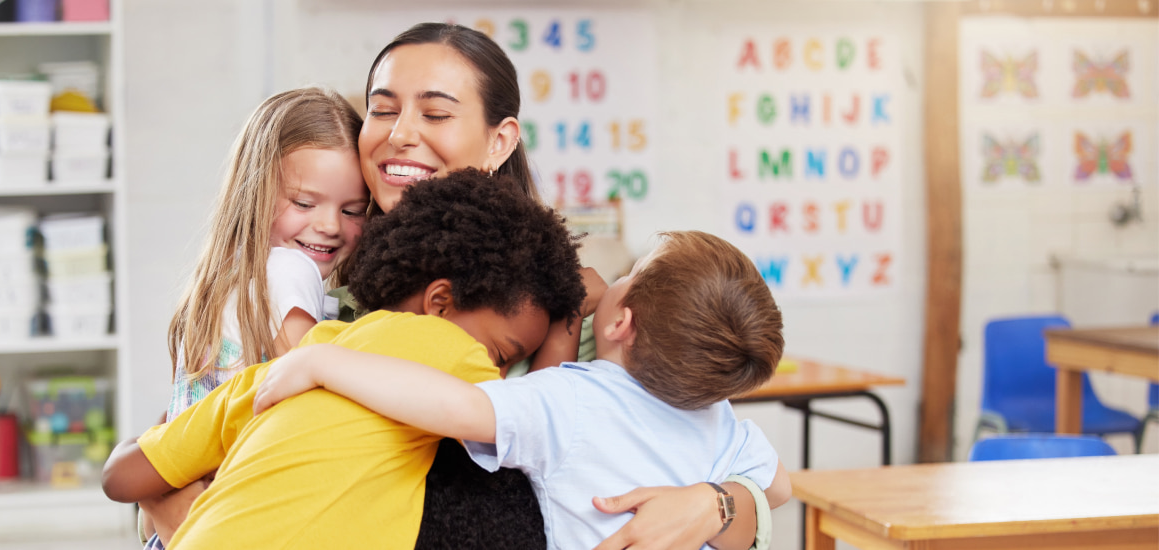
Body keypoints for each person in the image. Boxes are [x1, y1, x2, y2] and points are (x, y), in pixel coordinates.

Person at [354, 23, 777, 549]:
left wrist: (712, 504)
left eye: (436, 113)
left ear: (500, 141)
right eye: (383, 109)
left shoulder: (562, 304)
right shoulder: (322, 274)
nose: (400, 134)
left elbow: (751, 487)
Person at [102, 172, 588, 549]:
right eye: (501, 355)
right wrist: (570, 319)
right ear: (440, 303)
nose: (497, 373)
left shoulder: (283, 370)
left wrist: (164, 443)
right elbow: (531, 423)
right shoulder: (449, 349)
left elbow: (121, 476)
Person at [256, 230, 793, 549]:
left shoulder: (573, 402)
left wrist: (328, 362)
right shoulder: (715, 411)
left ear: (619, 324)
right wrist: (714, 498)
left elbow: (457, 406)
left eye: (633, 273)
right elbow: (780, 487)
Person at [143, 86, 369, 543]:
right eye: (304, 203)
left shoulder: (220, 282)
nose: (328, 225)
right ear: (256, 190)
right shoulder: (290, 269)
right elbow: (314, 385)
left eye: (352, 210)